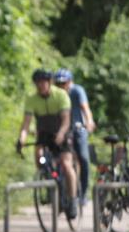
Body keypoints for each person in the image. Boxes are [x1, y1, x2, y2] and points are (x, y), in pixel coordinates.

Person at [17, 68, 78, 218]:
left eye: (43, 83)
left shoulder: (61, 95)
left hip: (62, 131)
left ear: (49, 82)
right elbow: (26, 125)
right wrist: (21, 140)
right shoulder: (32, 99)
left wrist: (61, 134)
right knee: (39, 157)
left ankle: (72, 200)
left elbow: (66, 120)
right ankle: (50, 185)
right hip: (44, 133)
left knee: (66, 164)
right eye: (38, 83)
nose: (40, 86)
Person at [54, 68, 96, 204]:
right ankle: (57, 192)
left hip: (78, 129)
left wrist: (89, 121)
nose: (61, 86)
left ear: (69, 82)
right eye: (58, 84)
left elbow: (85, 108)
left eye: (63, 83)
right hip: (63, 129)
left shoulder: (77, 91)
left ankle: (83, 194)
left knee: (83, 158)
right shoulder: (56, 95)